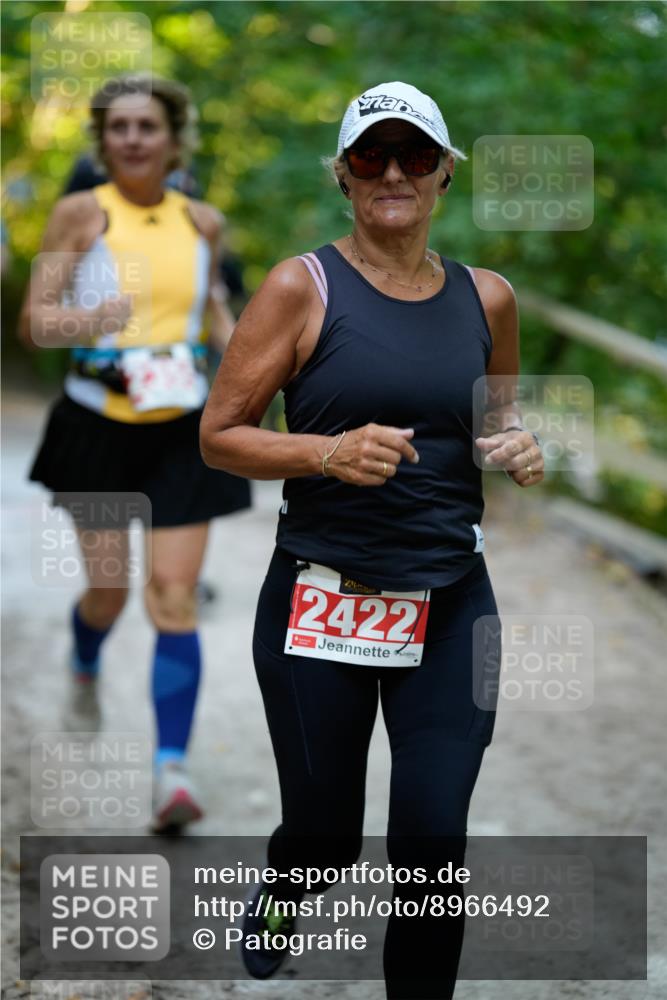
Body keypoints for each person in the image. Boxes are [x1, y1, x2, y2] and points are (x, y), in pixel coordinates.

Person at [201, 81, 544, 998]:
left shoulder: (489, 297)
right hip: (323, 599)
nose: (391, 172)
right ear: (344, 178)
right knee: (323, 836)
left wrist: (514, 443)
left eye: (413, 156)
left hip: (449, 603)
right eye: (369, 156)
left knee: (432, 848)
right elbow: (219, 434)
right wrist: (325, 452)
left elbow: (492, 421)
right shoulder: (298, 287)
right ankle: (286, 887)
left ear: (442, 177)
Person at [22, 74, 251, 832]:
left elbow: (217, 317)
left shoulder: (204, 223)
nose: (130, 139)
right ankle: (86, 657)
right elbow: (34, 325)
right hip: (96, 426)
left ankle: (170, 773)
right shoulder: (78, 214)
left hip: (182, 429)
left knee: (174, 598)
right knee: (110, 594)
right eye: (117, 126)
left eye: (145, 125)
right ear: (102, 139)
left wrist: (272, 369)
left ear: (173, 136)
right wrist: (88, 317)